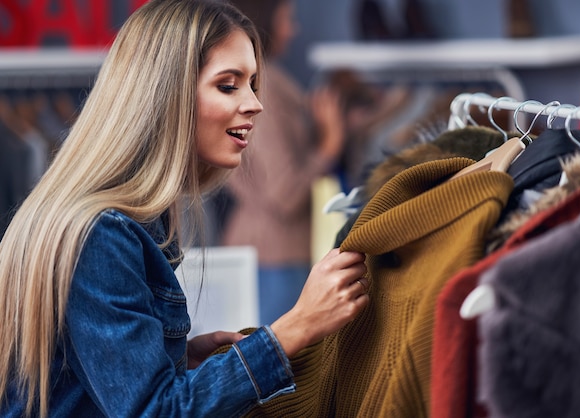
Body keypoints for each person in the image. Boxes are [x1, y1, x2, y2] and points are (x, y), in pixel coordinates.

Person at [0, 1, 369, 416]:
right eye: (228, 85)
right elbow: (157, 412)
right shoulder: (102, 234)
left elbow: (93, 382)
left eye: (253, 84)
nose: (254, 104)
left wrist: (176, 357)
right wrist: (295, 328)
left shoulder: (130, 220)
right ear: (166, 93)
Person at [222, 0, 347, 325]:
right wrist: (329, 146)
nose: (293, 28)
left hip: (268, 252)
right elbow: (285, 192)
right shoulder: (267, 88)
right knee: (276, 367)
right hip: (275, 256)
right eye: (286, 17)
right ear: (263, 21)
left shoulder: (257, 81)